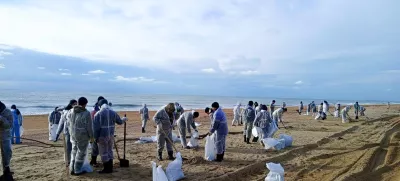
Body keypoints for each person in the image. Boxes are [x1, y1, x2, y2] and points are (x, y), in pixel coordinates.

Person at [93, 99, 127, 174]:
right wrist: (124, 119)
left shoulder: (98, 114)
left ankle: (106, 169)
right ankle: (110, 167)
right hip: (111, 135)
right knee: (109, 150)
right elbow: (120, 122)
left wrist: (95, 138)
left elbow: (96, 129)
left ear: (100, 105)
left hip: (102, 136)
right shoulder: (113, 113)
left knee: (103, 152)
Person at [68, 97, 94, 175]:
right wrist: (91, 136)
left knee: (74, 151)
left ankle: (72, 168)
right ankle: (77, 170)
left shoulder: (71, 111)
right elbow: (89, 127)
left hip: (73, 134)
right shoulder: (86, 113)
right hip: (82, 136)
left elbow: (69, 123)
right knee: (81, 153)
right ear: (85, 104)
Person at [55, 99, 78, 165]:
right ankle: (68, 161)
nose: (76, 105)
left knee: (75, 147)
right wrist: (57, 133)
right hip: (67, 132)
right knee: (68, 148)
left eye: (76, 104)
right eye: (74, 104)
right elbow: (61, 123)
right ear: (71, 104)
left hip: (75, 132)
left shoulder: (77, 112)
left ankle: (74, 160)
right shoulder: (65, 112)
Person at [0, 101, 14, 181]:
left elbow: (9, 125)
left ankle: (6, 171)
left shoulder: (7, 112)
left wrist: (1, 119)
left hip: (5, 136)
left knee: (7, 153)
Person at [90, 96, 104, 167]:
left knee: (96, 147)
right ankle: (93, 161)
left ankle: (93, 161)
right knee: (95, 147)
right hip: (94, 130)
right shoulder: (95, 110)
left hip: (98, 130)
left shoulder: (99, 108)